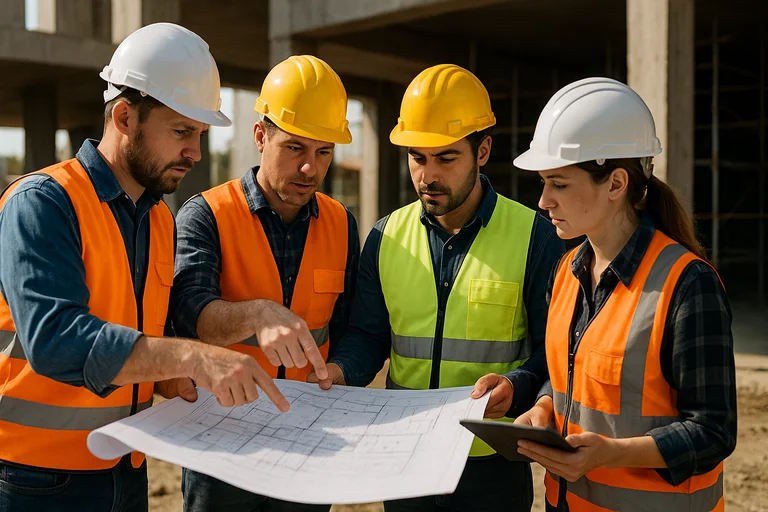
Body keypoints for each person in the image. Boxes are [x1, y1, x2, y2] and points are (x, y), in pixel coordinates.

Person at [0, 23, 289, 512]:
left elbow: (132, 333)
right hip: (36, 480)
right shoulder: (43, 203)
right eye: (181, 132)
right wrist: (194, 359)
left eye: (200, 134)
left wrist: (165, 380)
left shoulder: (158, 218)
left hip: (124, 468)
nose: (196, 153)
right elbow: (56, 340)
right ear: (125, 117)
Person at [310, 64, 564, 511]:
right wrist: (342, 371)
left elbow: (555, 351)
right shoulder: (385, 237)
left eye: (446, 158)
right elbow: (369, 337)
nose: (428, 176)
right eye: (417, 157)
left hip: (490, 465)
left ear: (482, 150)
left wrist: (516, 384)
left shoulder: (534, 238)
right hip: (404, 459)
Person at [513, 77, 736, 511]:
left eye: (558, 184)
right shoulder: (566, 271)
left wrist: (611, 454)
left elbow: (714, 431)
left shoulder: (688, 285)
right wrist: (543, 407)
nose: (543, 201)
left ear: (616, 184)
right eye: (543, 183)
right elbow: (571, 376)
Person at [171, 54, 359, 512]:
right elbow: (190, 313)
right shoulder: (206, 215)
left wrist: (342, 371)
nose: (310, 169)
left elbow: (355, 329)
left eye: (323, 152)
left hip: (310, 439)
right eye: (295, 148)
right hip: (223, 442)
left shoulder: (341, 223)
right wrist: (257, 313)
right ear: (260, 135)